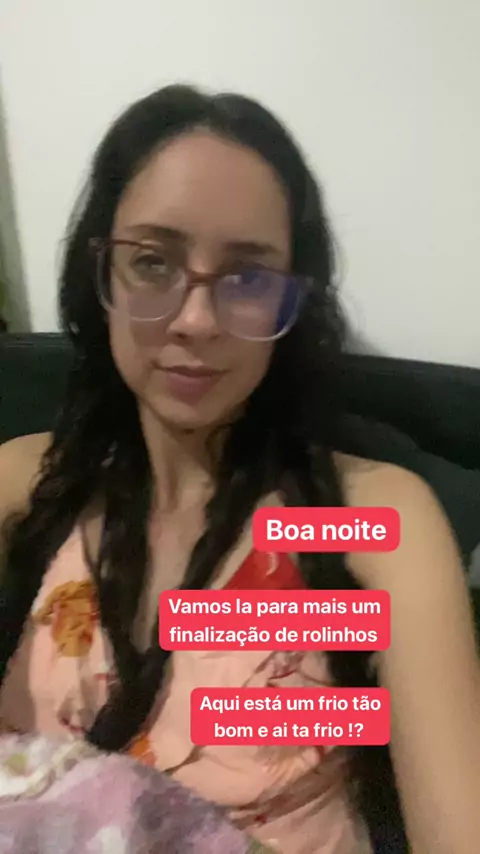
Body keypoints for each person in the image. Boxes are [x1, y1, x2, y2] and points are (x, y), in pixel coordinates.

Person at [0, 84, 478, 854]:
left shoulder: (371, 520)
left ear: (296, 302)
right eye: (152, 262)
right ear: (101, 276)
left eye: (248, 277)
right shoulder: (27, 485)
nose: (196, 319)